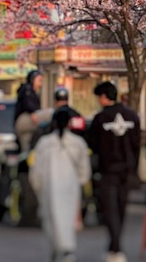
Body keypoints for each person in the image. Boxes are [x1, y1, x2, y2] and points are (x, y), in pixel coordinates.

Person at [87, 81, 141, 262]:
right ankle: (114, 247)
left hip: (108, 170)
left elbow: (92, 144)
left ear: (103, 97)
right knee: (121, 208)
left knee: (110, 210)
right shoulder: (132, 116)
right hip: (127, 170)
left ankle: (116, 248)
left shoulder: (100, 119)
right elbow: (137, 144)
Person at [31, 107, 93, 262]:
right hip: (70, 188)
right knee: (67, 219)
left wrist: (37, 188)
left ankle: (57, 248)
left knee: (51, 219)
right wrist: (81, 182)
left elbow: (36, 170)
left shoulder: (44, 143)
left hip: (48, 189)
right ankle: (67, 249)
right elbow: (84, 169)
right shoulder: (78, 143)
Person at [15, 70, 44, 153]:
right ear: (32, 80)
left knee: (27, 148)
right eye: (39, 81)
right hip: (25, 119)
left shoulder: (28, 91)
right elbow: (27, 103)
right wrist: (32, 113)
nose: (40, 84)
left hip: (21, 125)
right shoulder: (27, 90)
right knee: (49, 114)